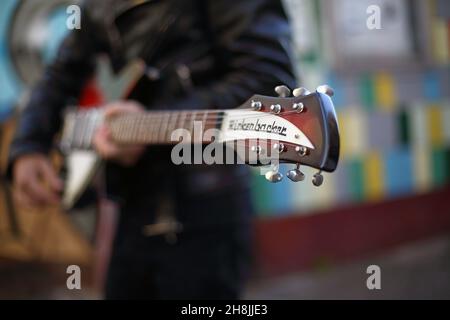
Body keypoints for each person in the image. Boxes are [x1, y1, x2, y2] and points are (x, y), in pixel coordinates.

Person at [9, 0, 296, 299]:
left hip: (205, 210)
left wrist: (149, 121)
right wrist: (28, 145)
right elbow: (60, 75)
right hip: (131, 207)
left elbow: (271, 89)